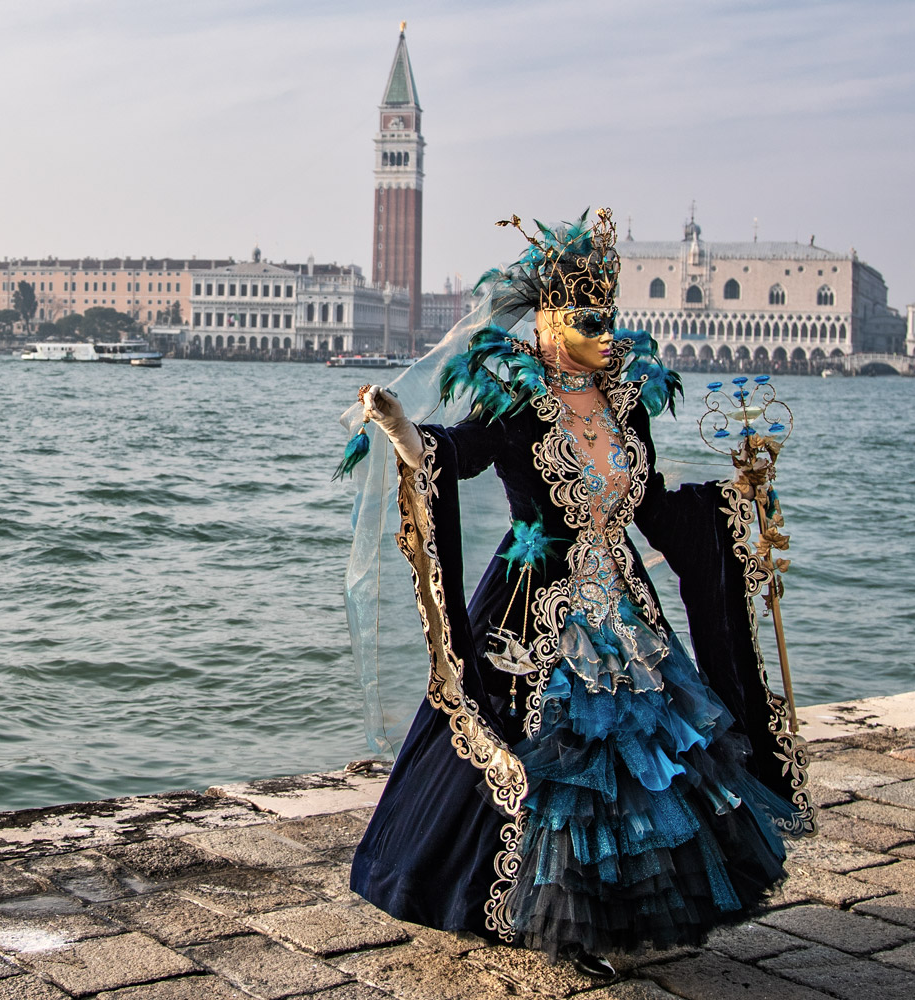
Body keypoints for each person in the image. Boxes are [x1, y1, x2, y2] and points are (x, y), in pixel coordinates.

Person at [345, 208, 813, 977]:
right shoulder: (516, 403)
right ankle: (530, 911)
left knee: (648, 762)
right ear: (550, 320)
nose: (606, 333)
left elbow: (653, 505)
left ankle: (618, 912)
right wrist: (406, 434)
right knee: (550, 759)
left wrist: (734, 503)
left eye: (611, 318)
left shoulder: (628, 404)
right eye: (588, 318)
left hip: (627, 611)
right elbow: (456, 454)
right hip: (534, 604)